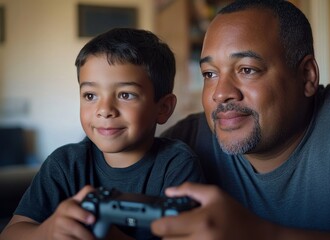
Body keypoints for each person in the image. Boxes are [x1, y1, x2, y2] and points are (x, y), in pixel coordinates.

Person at [152, 0, 330, 239]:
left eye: (247, 69)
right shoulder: (184, 144)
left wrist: (260, 234)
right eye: (210, 74)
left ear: (306, 76)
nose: (220, 93)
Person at [0, 28, 204, 240]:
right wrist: (46, 232)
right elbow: (11, 233)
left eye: (126, 95)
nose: (104, 109)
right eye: (90, 95)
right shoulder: (64, 164)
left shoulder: (177, 165)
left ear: (163, 108)